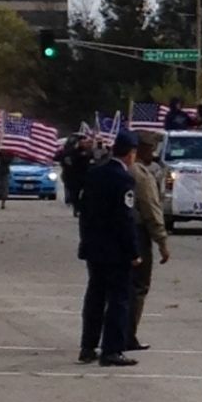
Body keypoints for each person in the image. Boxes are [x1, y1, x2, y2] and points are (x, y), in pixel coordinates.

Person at [77, 130, 141, 366]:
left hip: (94, 246)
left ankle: (87, 346)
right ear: (131, 154)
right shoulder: (123, 179)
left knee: (95, 296)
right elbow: (125, 218)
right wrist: (134, 251)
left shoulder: (94, 173)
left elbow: (83, 211)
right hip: (115, 250)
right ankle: (111, 349)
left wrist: (85, 241)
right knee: (118, 299)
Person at [128, 132, 171, 351]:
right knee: (138, 287)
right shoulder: (141, 175)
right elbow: (151, 210)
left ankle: (107, 335)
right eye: (149, 149)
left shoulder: (110, 169)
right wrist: (162, 241)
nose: (152, 154)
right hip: (137, 234)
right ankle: (128, 335)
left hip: (113, 235)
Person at [61, 135, 95, 217]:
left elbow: (95, 160)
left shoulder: (90, 152)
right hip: (75, 177)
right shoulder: (72, 152)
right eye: (82, 142)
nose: (84, 144)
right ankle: (77, 209)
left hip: (86, 176)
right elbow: (67, 162)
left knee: (87, 194)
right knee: (74, 195)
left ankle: (83, 208)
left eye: (85, 142)